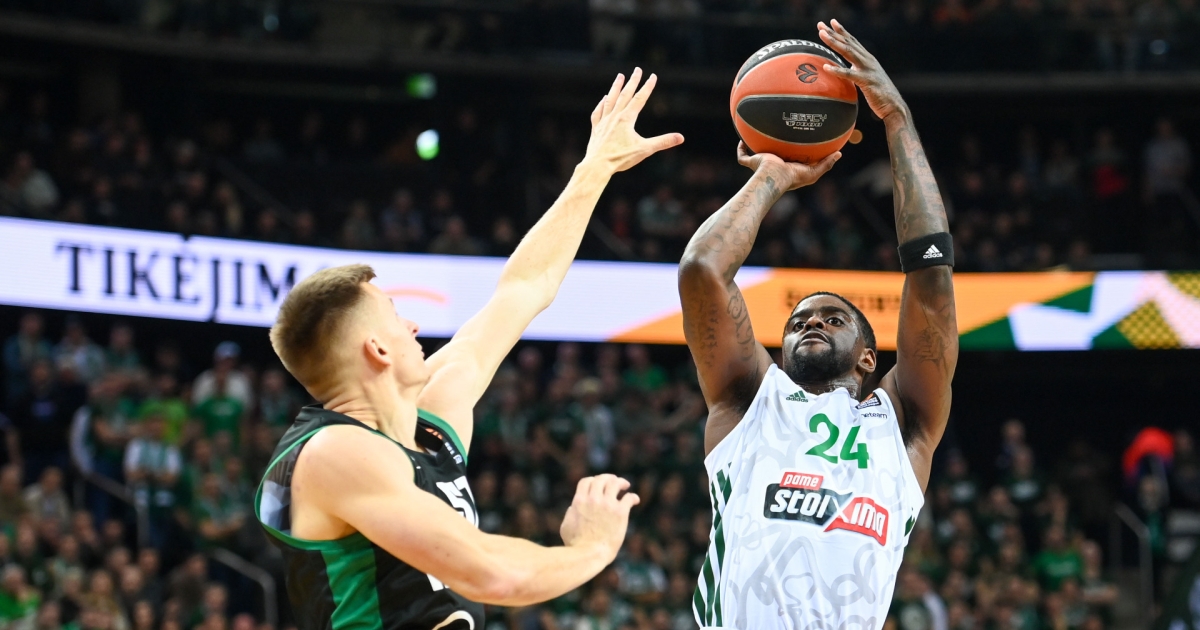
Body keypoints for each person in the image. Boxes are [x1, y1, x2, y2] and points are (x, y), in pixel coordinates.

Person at [254, 69, 683, 630]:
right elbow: (491, 575)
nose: (413, 325)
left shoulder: (429, 419)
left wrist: (594, 168)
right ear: (376, 349)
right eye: (396, 316)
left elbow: (524, 288)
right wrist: (593, 548)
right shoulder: (333, 453)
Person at [677, 22, 957, 629]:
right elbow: (702, 270)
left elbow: (932, 278)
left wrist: (898, 121)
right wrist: (771, 177)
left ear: (868, 358)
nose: (812, 323)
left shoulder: (903, 426)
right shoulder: (751, 403)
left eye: (833, 318)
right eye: (799, 320)